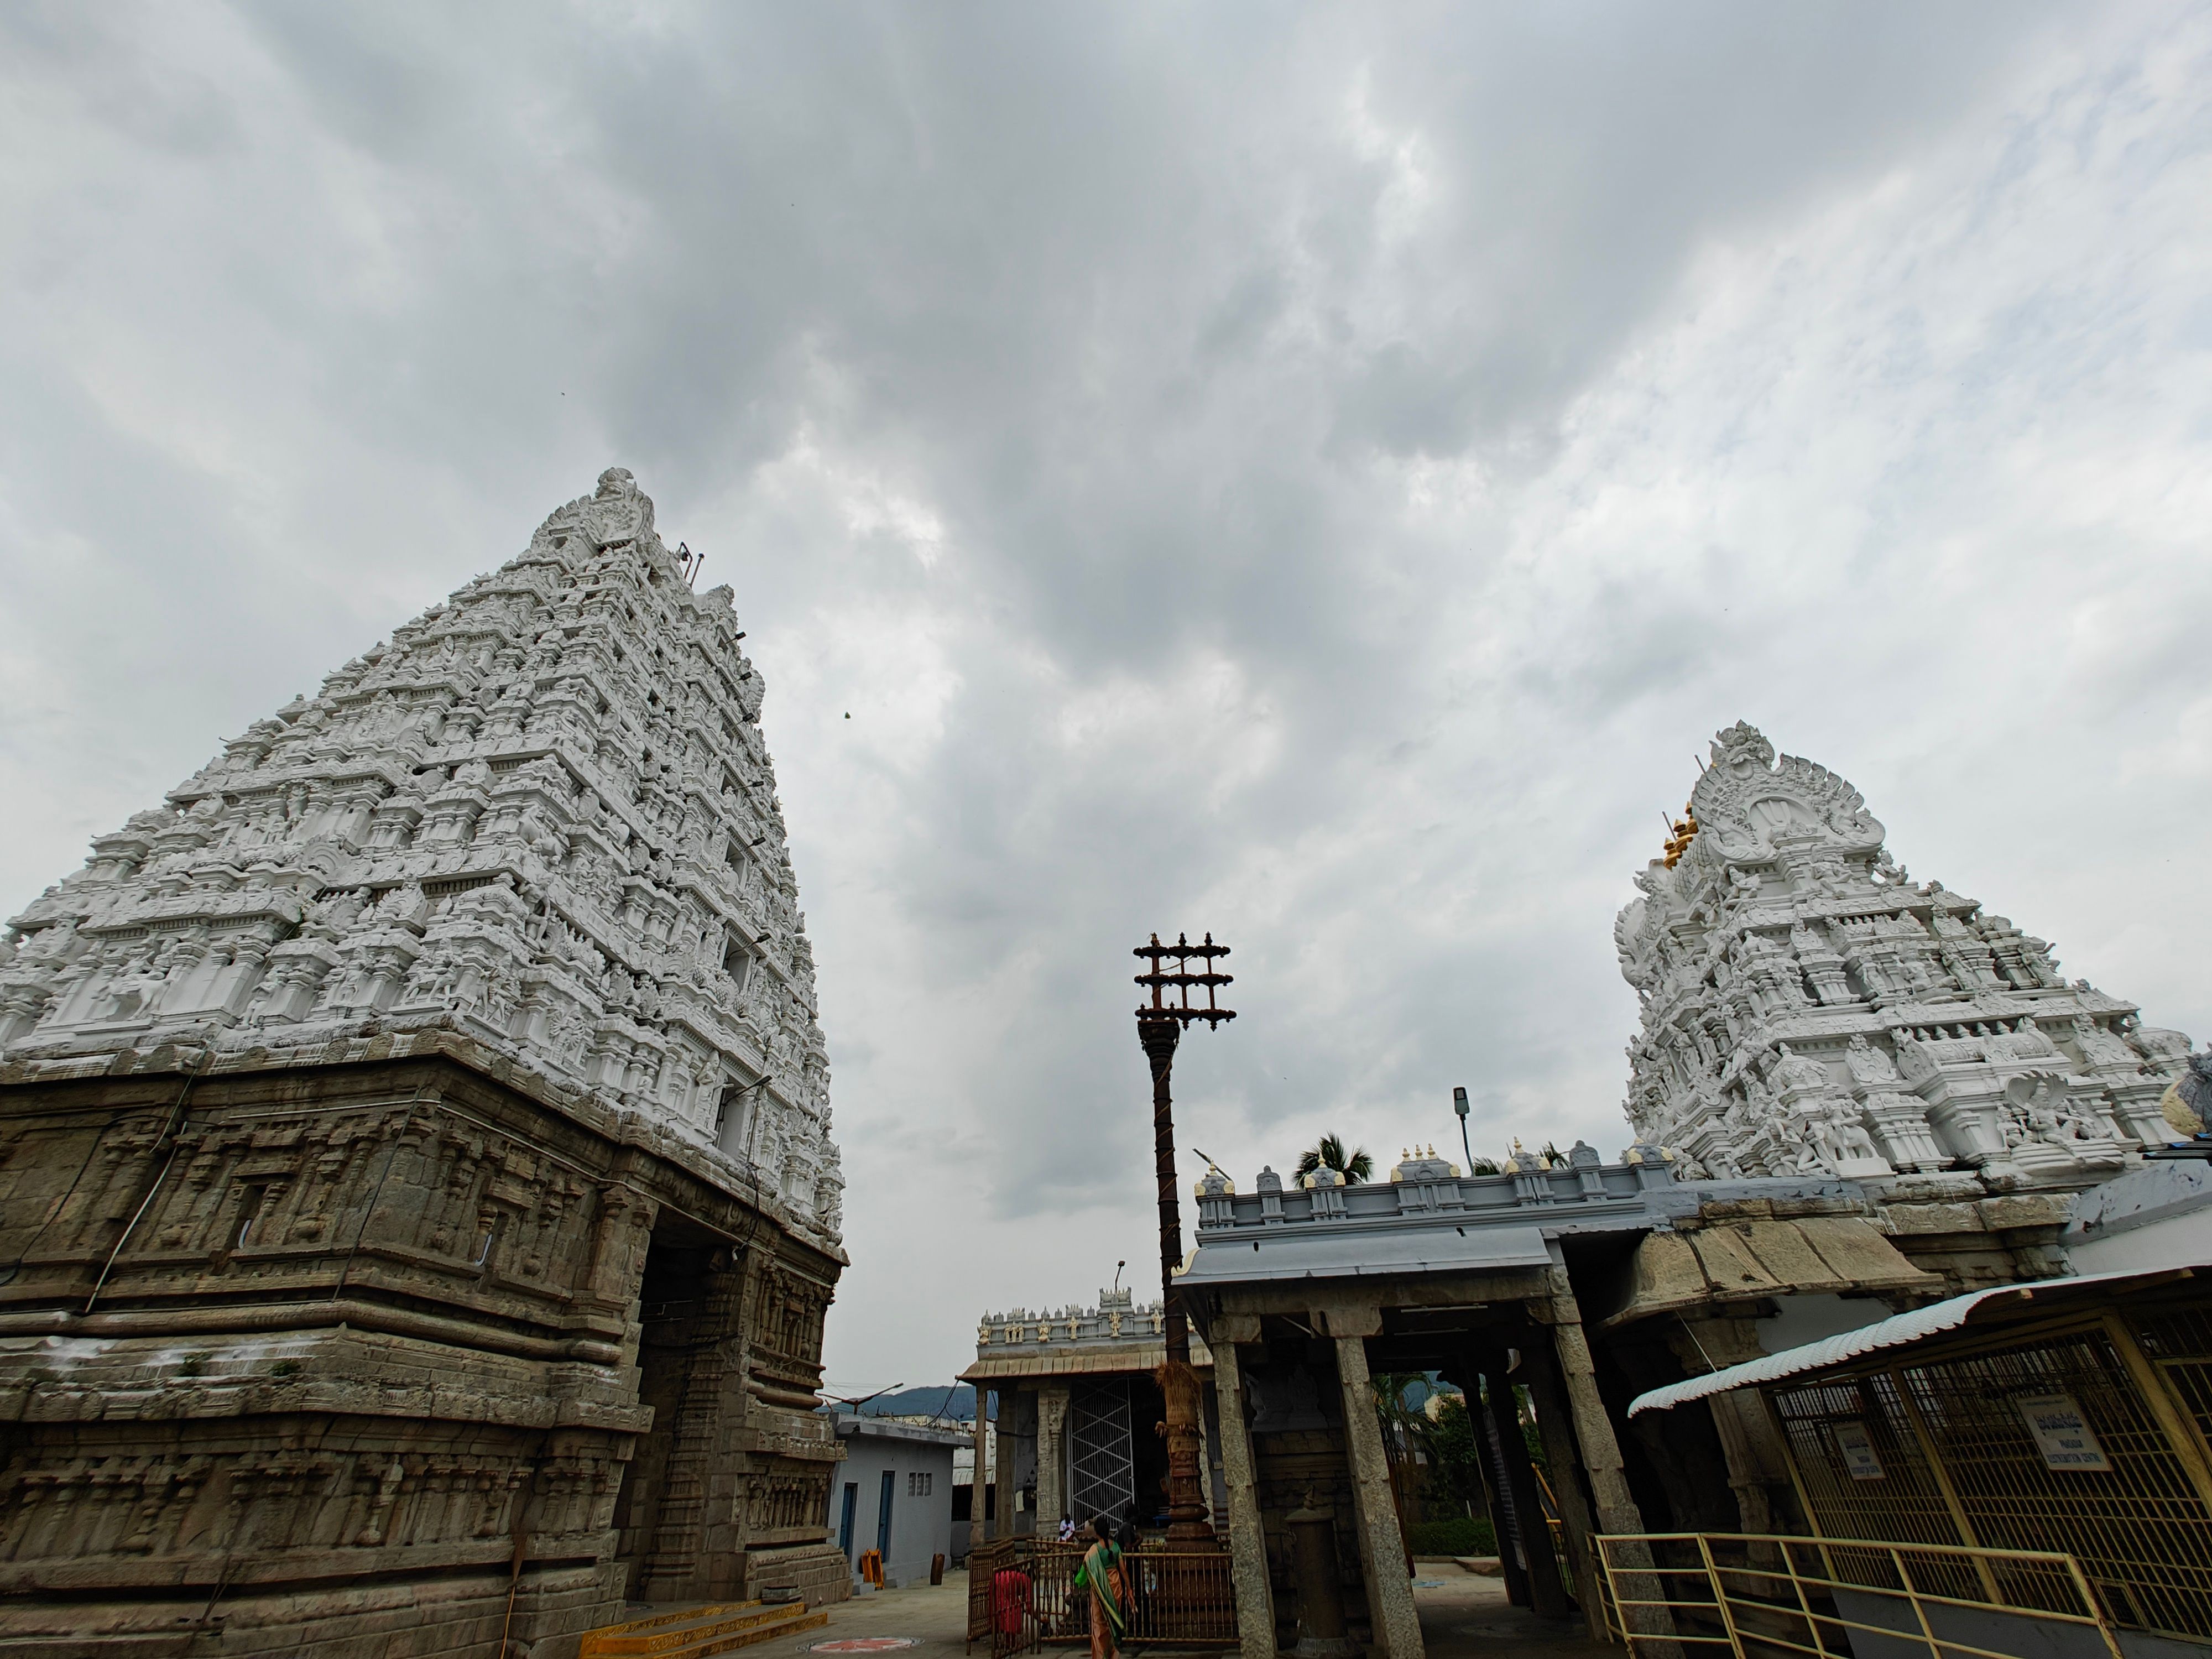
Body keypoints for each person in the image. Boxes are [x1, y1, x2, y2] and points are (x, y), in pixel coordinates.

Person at [1071, 1515, 1125, 1659]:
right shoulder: (1116, 1547)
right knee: (1113, 1622)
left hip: (1100, 1590)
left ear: (1096, 1533)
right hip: (1116, 1587)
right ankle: (1114, 1654)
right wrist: (1130, 1590)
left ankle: (1101, 1656)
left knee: (1099, 1625)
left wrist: (1079, 1581)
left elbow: (1085, 1568)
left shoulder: (1094, 1550)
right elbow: (1123, 1570)